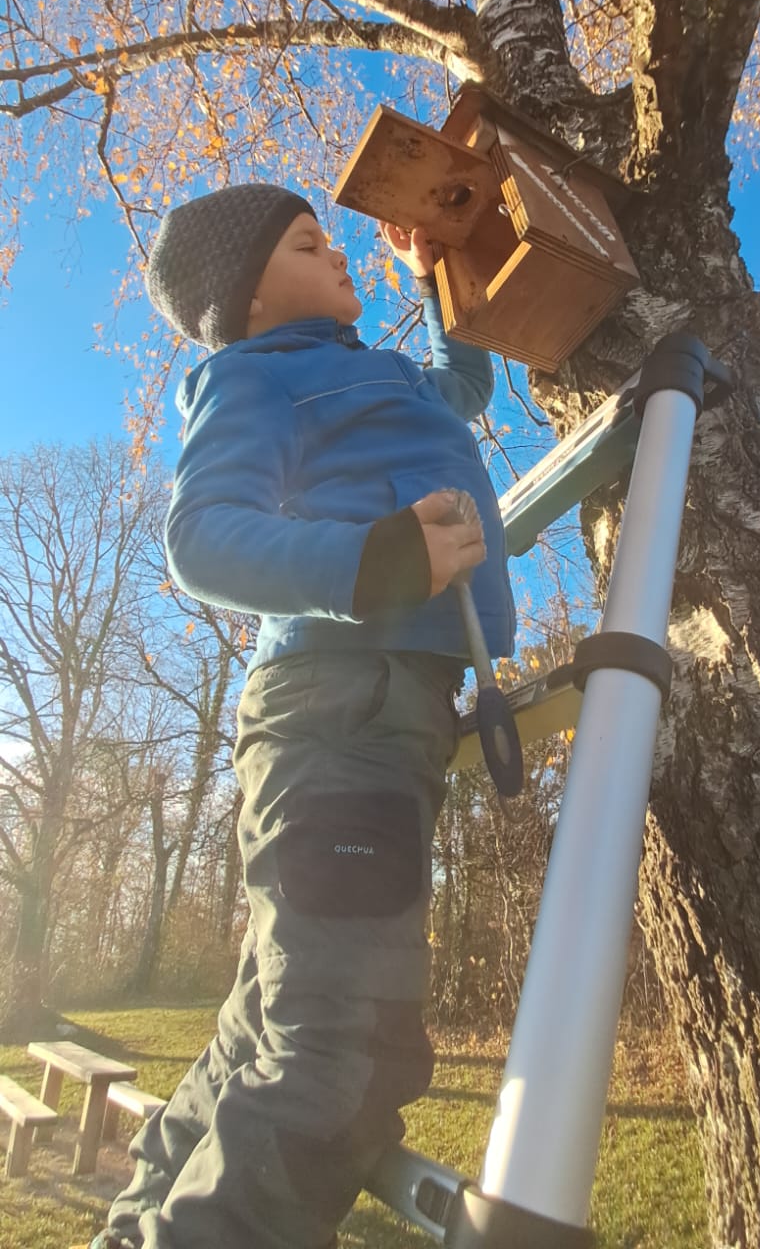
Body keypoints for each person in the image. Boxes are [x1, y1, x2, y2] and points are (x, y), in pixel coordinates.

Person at [92, 183, 516, 1249]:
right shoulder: (253, 375)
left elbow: (464, 386)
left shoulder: (380, 374)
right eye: (306, 242)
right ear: (246, 296)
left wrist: (431, 275)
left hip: (382, 712)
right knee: (344, 1050)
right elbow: (202, 539)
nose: (337, 254)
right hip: (338, 701)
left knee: (264, 1036)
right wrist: (375, 561)